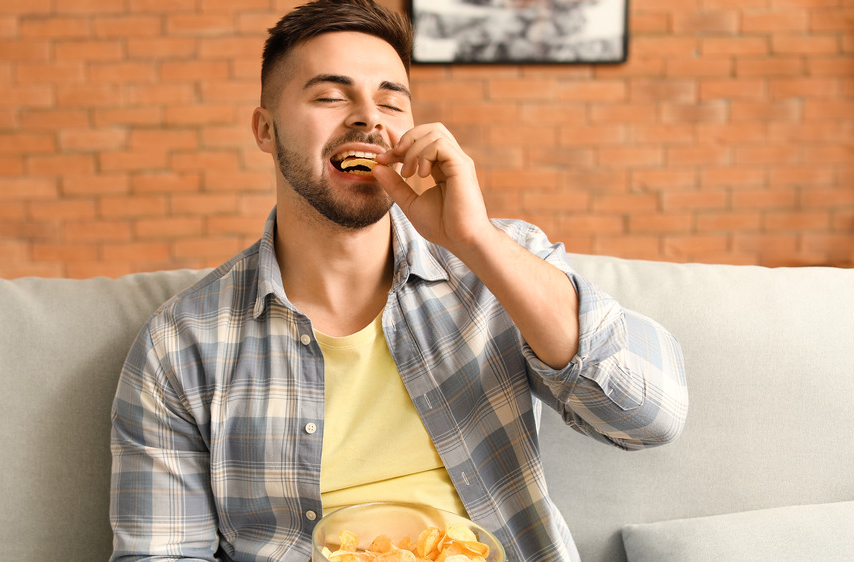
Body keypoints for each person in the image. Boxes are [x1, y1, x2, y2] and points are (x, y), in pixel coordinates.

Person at [109, 1, 688, 560]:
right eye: (331, 96)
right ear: (266, 130)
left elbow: (650, 418)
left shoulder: (498, 266)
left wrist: (475, 240)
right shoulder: (180, 346)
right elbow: (160, 554)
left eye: (392, 100)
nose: (368, 117)